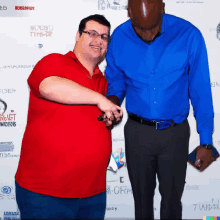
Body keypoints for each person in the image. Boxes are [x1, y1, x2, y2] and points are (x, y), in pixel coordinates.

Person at [104, 0, 214, 219]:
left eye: (152, 28)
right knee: (141, 203)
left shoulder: (188, 35)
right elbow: (116, 80)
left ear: (163, 8)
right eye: (140, 28)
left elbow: (200, 90)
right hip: (137, 133)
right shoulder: (119, 36)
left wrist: (206, 140)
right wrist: (112, 103)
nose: (146, 35)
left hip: (175, 134)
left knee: (172, 203)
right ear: (128, 13)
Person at [15, 14, 123, 220]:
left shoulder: (104, 80)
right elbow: (48, 86)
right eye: (91, 33)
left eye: (104, 36)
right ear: (77, 35)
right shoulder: (54, 61)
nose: (98, 40)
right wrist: (100, 100)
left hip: (93, 195)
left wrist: (112, 111)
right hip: (45, 194)